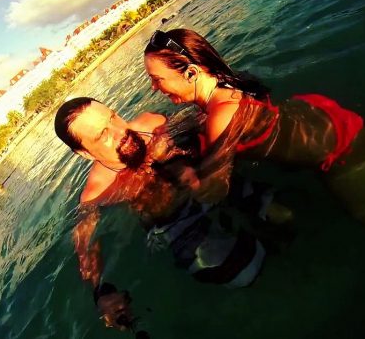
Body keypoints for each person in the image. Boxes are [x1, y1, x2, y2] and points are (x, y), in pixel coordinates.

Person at [143, 28, 365, 234]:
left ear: (191, 73)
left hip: (338, 146)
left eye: (157, 80)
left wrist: (177, 171)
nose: (155, 88)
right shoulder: (224, 83)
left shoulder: (221, 117)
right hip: (310, 115)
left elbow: (215, 189)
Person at [54, 97, 290, 330]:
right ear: (84, 153)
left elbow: (203, 127)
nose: (119, 131)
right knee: (244, 273)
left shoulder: (151, 124)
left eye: (113, 117)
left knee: (282, 214)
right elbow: (86, 247)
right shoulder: (98, 193)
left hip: (205, 182)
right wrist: (101, 294)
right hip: (178, 223)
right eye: (102, 135)